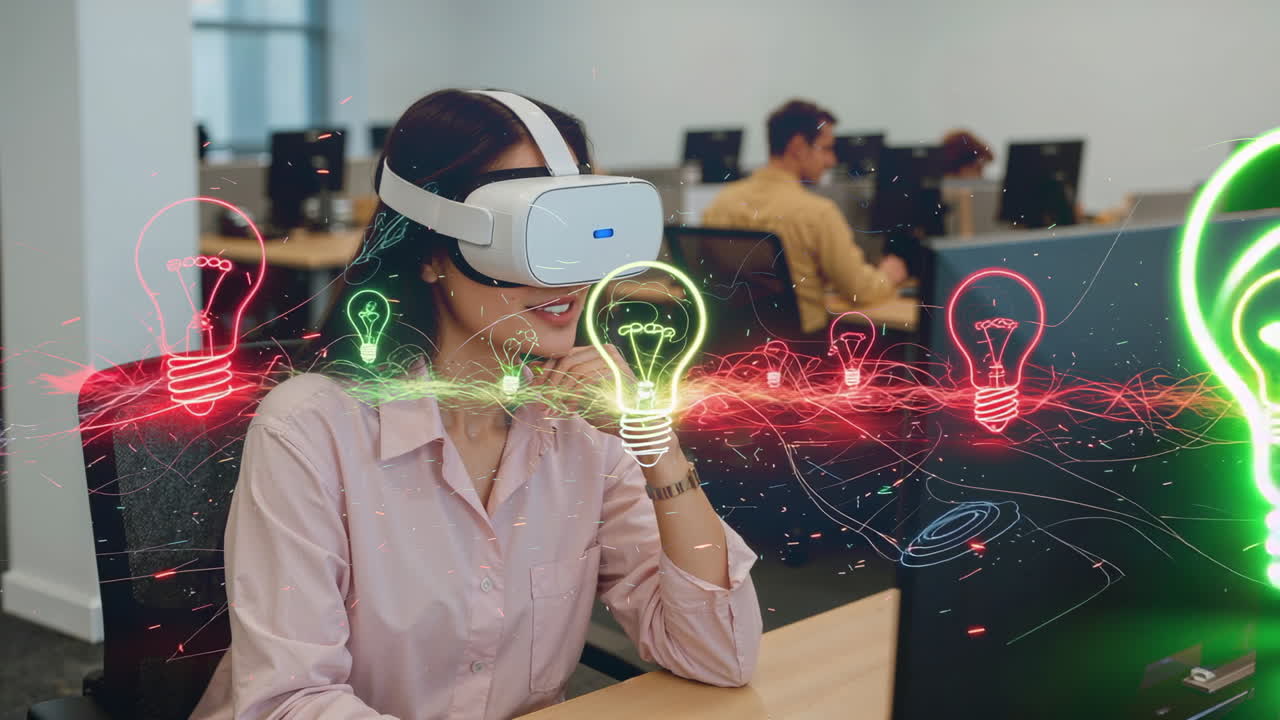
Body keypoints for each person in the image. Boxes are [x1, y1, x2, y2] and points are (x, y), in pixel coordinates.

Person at [191, 89, 762, 720]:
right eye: (532, 236)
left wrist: (654, 443)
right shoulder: (310, 431)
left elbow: (718, 654)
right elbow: (291, 703)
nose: (566, 278)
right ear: (434, 251)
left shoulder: (583, 430)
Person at [701, 99, 907, 335]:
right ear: (798, 147)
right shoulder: (817, 213)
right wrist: (888, 275)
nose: (832, 161)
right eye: (826, 149)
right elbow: (858, 290)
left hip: (735, 347)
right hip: (802, 353)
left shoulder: (721, 203)